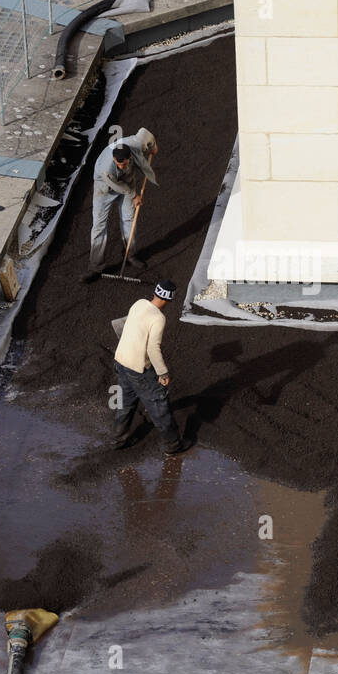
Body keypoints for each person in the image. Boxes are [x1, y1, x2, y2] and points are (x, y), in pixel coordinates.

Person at [111, 279, 193, 456]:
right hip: (138, 368)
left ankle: (118, 439)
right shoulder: (158, 318)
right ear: (168, 299)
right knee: (158, 403)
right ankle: (173, 445)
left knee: (124, 402)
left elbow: (121, 324)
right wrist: (163, 372)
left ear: (155, 292)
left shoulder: (139, 303)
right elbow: (152, 348)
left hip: (121, 361)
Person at [83, 129, 159, 282]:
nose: (122, 166)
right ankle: (95, 267)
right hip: (104, 189)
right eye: (119, 164)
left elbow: (145, 134)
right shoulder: (107, 168)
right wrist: (134, 195)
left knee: (129, 219)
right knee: (99, 225)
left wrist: (153, 147)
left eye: (125, 164)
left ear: (130, 156)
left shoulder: (134, 144)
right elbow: (117, 186)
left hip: (128, 184)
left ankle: (129, 254)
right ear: (114, 159)